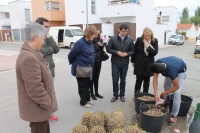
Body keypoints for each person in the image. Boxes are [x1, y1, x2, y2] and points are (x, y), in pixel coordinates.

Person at [16, 23, 58, 133]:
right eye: (43, 39)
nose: (43, 42)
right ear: (35, 38)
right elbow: (35, 89)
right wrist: (48, 103)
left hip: (40, 109)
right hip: (38, 110)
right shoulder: (29, 58)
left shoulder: (31, 53)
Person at [149, 56, 187, 126]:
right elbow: (155, 78)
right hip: (172, 65)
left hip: (180, 71)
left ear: (162, 72)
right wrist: (156, 93)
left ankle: (174, 115)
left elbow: (176, 86)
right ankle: (167, 102)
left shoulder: (171, 71)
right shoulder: (157, 64)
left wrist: (165, 93)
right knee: (166, 86)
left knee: (177, 93)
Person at [36, 17, 60, 121]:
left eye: (49, 26)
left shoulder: (47, 37)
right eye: (46, 26)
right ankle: (43, 114)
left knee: (50, 92)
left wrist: (49, 36)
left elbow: (57, 49)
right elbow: (43, 51)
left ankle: (51, 113)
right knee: (43, 93)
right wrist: (50, 50)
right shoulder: (36, 38)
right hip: (41, 71)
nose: (48, 28)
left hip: (51, 69)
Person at [68, 25, 97, 108]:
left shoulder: (90, 42)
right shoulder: (80, 43)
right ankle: (83, 102)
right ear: (88, 34)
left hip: (89, 67)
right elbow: (71, 55)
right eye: (93, 34)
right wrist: (73, 63)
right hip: (81, 67)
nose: (94, 36)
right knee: (83, 86)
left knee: (88, 84)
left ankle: (88, 98)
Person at [106, 23, 135, 102]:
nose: (125, 33)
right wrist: (117, 52)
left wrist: (127, 54)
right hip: (115, 62)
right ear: (119, 30)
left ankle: (122, 95)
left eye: (126, 31)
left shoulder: (130, 40)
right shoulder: (113, 38)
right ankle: (115, 95)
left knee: (123, 79)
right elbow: (108, 49)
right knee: (115, 79)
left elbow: (133, 51)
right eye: (123, 31)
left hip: (125, 63)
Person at [131, 27, 158, 94]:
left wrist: (147, 46)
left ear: (151, 35)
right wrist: (133, 61)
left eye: (149, 36)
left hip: (148, 64)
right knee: (138, 80)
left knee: (147, 80)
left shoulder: (154, 41)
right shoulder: (139, 40)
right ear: (143, 34)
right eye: (145, 36)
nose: (147, 37)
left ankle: (145, 94)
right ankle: (136, 94)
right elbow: (134, 50)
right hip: (139, 63)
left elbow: (154, 52)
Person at [89, 33, 104, 100]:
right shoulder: (90, 41)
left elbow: (101, 50)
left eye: (97, 34)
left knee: (96, 78)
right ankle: (91, 93)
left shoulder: (99, 40)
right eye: (95, 34)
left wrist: (101, 46)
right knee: (91, 78)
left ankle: (96, 93)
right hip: (92, 62)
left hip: (99, 61)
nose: (96, 35)